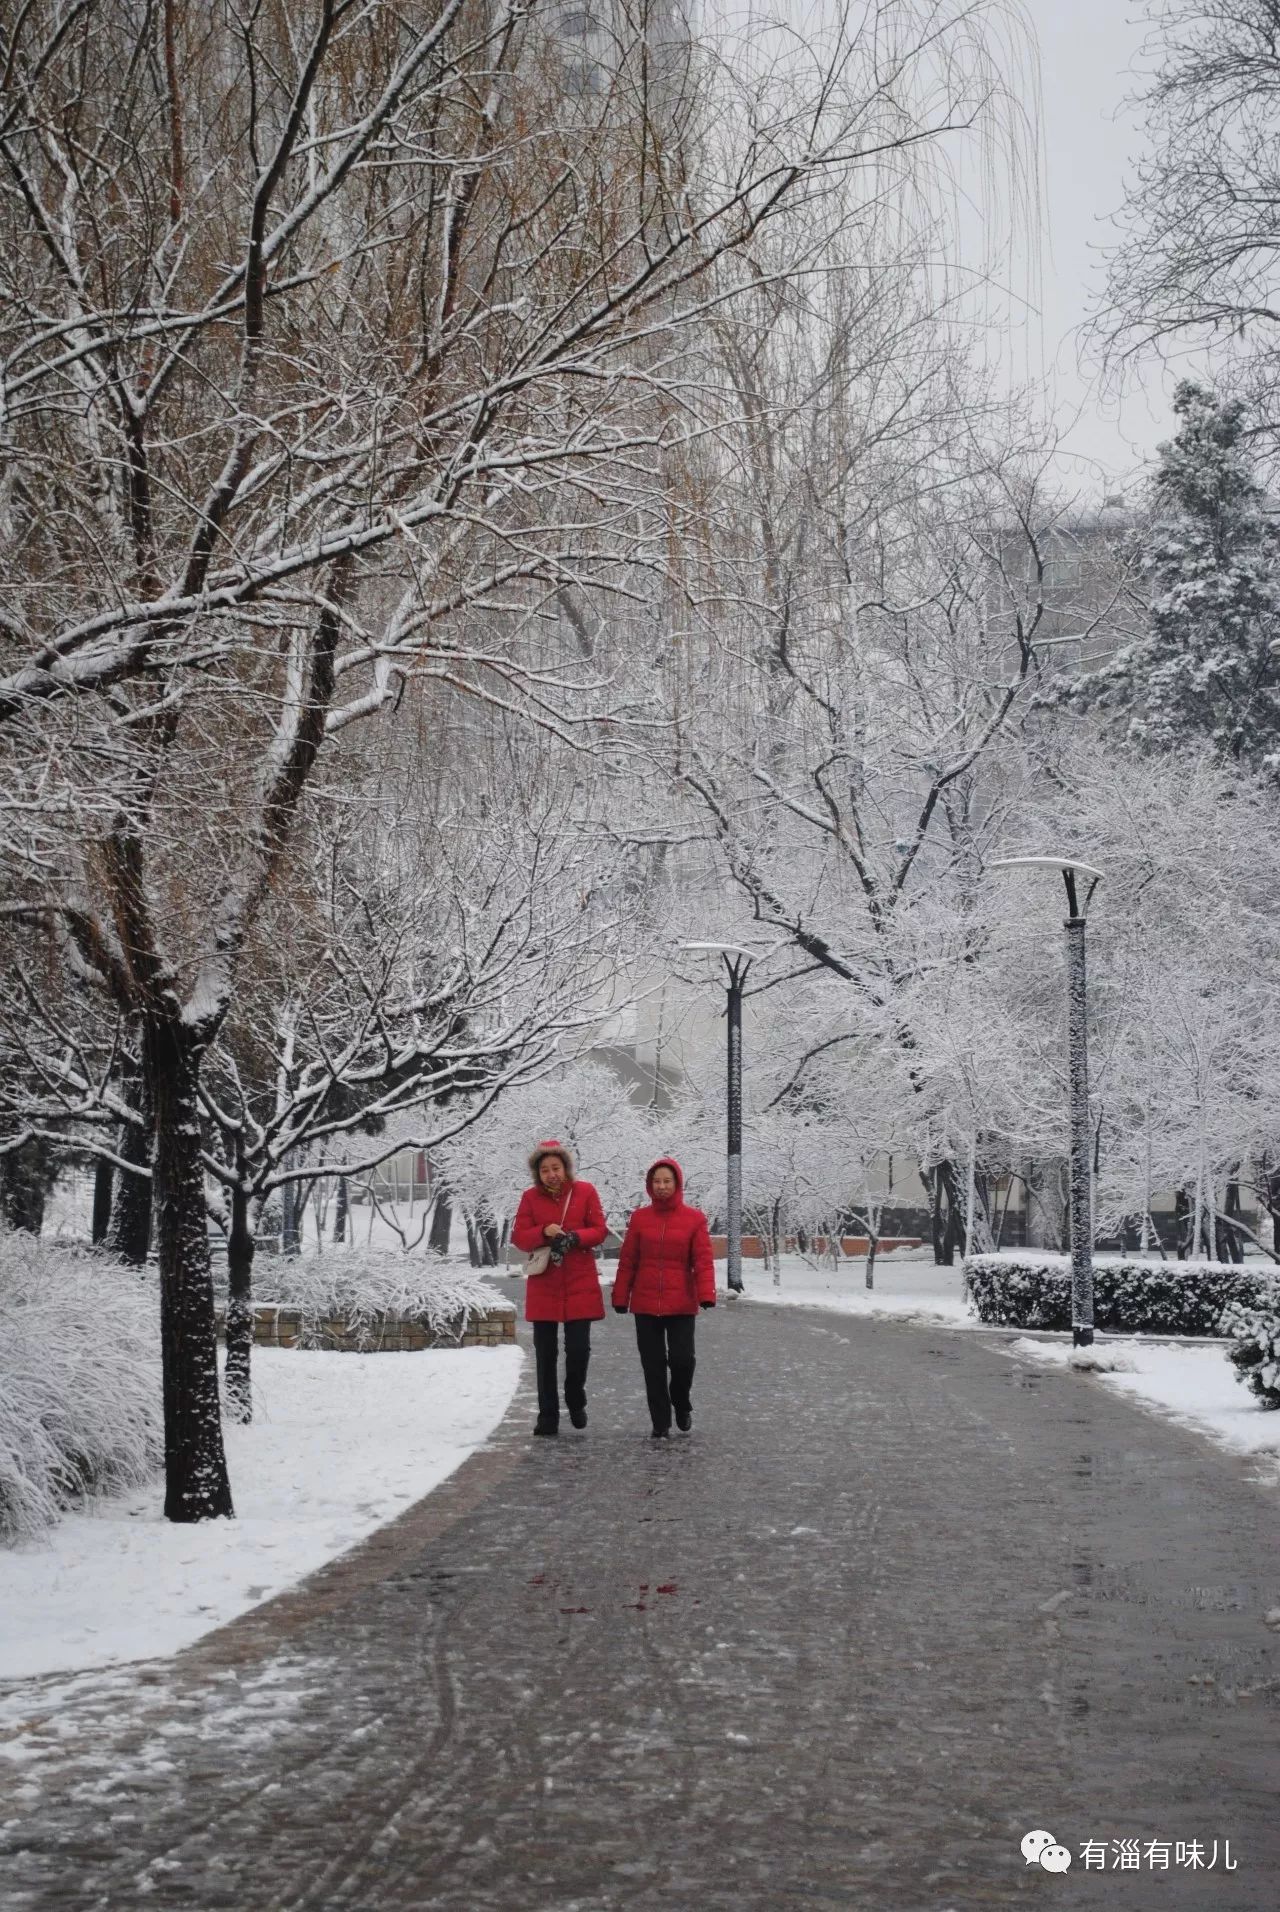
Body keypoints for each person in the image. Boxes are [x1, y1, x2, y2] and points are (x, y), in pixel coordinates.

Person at [612, 1156, 716, 1437]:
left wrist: (706, 1293)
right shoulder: (640, 1219)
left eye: (666, 1181)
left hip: (681, 1303)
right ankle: (660, 1422)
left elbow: (703, 1260)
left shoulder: (694, 1219)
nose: (661, 1186)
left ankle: (680, 1401)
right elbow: (628, 1260)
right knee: (652, 1364)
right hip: (645, 1305)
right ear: (649, 1185)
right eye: (656, 1181)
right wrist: (621, 1296)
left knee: (683, 1360)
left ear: (677, 1183)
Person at [511, 1140, 609, 1437]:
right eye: (545, 1170)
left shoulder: (585, 1192)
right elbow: (519, 1237)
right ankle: (547, 1415)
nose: (551, 1174)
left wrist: (575, 1237)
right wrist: (543, 1231)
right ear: (537, 1174)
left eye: (556, 1168)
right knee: (545, 1354)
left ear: (566, 1168)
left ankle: (575, 1397)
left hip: (579, 1280)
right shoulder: (529, 1198)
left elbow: (600, 1230)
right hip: (545, 1283)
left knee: (579, 1349)